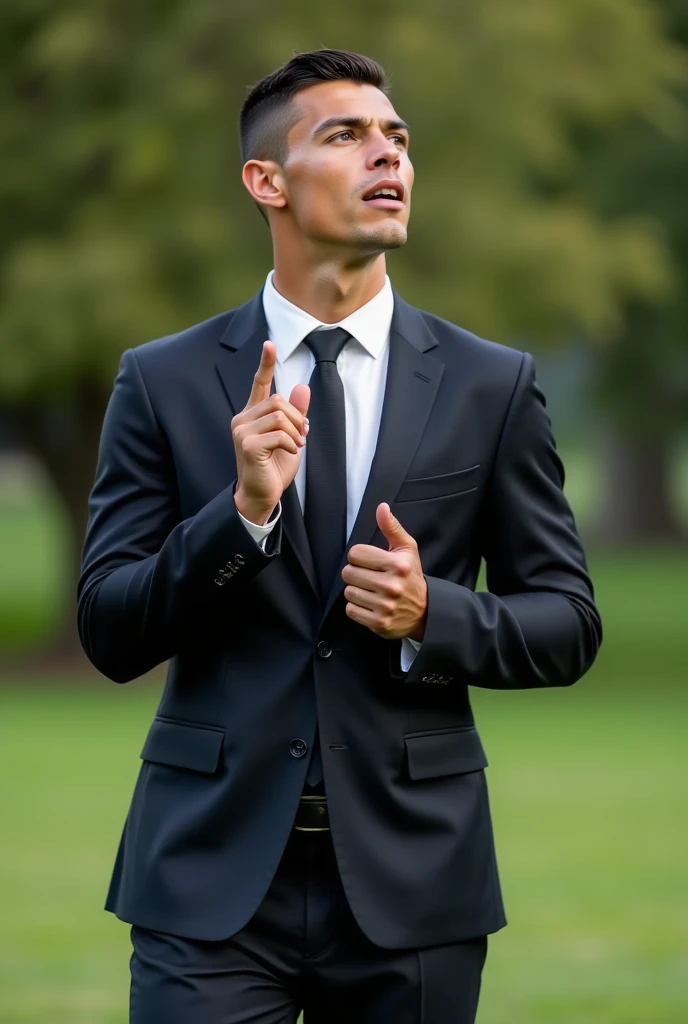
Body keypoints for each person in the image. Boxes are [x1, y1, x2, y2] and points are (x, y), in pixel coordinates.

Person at [78, 48, 602, 1024]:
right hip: (207, 880)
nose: (386, 156)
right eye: (346, 135)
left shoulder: (492, 386)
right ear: (265, 180)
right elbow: (109, 631)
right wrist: (240, 517)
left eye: (396, 138)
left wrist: (430, 613)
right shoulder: (162, 379)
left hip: (414, 882)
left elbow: (567, 622)